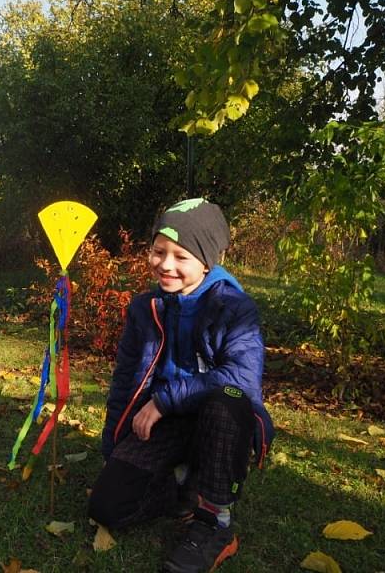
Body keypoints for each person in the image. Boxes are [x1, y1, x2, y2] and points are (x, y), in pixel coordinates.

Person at [87, 198, 274, 573]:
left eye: (180, 256)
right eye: (158, 252)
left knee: (228, 399)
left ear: (207, 262)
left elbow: (242, 380)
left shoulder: (235, 308)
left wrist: (165, 400)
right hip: (167, 422)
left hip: (220, 418)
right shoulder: (144, 308)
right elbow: (124, 381)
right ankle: (185, 487)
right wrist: (114, 450)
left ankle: (214, 523)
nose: (165, 264)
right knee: (106, 508)